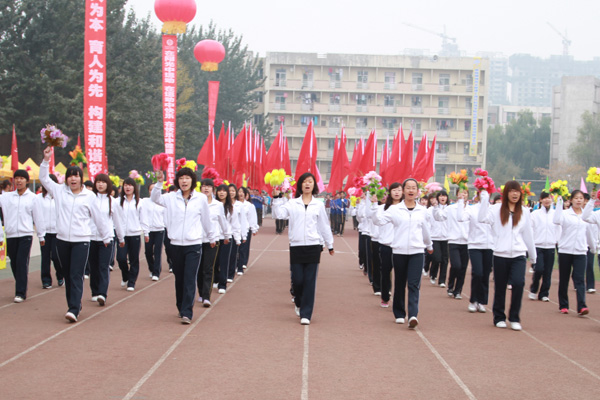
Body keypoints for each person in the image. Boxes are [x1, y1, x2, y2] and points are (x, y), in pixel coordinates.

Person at [40, 147, 112, 322]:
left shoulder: (89, 196)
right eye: (70, 175)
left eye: (76, 175)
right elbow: (43, 179)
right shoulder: (59, 191)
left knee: (75, 274)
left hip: (81, 241)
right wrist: (46, 160)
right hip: (62, 240)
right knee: (67, 274)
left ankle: (73, 308)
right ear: (66, 178)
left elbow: (99, 218)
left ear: (81, 179)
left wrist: (106, 237)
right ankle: (75, 304)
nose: (73, 178)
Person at [151, 169, 216, 324]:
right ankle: (181, 306)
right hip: (175, 245)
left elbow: (206, 219)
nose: (184, 181)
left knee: (189, 278)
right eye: (181, 178)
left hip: (193, 245)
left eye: (187, 178)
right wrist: (159, 182)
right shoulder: (170, 198)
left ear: (192, 181)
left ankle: (187, 311)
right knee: (179, 278)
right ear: (177, 181)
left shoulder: (200, 199)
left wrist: (212, 237)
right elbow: (154, 198)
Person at [272, 172, 334, 325]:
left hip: (313, 246)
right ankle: (299, 302)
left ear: (314, 185)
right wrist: (276, 198)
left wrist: (329, 244)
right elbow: (278, 214)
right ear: (300, 185)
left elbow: (324, 226)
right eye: (305, 181)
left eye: (310, 182)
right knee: (298, 280)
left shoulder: (318, 205)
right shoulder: (292, 203)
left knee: (310, 281)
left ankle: (306, 314)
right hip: (296, 245)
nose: (307, 184)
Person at [372, 178, 433, 329]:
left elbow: (425, 231)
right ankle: (399, 313)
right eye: (408, 188)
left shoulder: (422, 211)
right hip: (399, 251)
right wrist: (374, 205)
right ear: (404, 191)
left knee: (413, 284)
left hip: (417, 251)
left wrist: (429, 245)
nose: (411, 190)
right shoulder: (394, 209)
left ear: (418, 191)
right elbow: (378, 221)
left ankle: (413, 314)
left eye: (414, 188)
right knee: (399, 283)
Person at [478, 181, 536, 331]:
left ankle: (515, 317)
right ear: (506, 193)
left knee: (518, 283)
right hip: (500, 254)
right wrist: (485, 198)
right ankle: (499, 317)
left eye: (517, 191)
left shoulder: (524, 211)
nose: (515, 194)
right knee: (500, 287)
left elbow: (528, 235)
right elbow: (482, 218)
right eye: (512, 191)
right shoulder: (496, 209)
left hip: (518, 254)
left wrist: (533, 256)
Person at [0, 169, 45, 302]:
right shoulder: (7, 197)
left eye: (22, 178)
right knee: (14, 262)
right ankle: (21, 281)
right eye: (17, 178)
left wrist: (41, 236)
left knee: (21, 261)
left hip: (26, 234)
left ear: (27, 181)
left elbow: (38, 217)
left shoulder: (33, 198)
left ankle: (20, 292)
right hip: (11, 234)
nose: (19, 181)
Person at [554, 191, 593, 316]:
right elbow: (556, 220)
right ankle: (564, 305)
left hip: (580, 251)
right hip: (565, 250)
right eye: (576, 198)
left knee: (580, 279)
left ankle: (582, 306)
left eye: (581, 198)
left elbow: (589, 233)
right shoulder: (565, 214)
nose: (578, 200)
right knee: (564, 279)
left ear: (584, 200)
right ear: (571, 200)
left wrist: (592, 247)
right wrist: (559, 202)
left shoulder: (586, 216)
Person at [89, 174, 125, 306]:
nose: (100, 185)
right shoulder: (90, 199)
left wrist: (121, 238)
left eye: (103, 182)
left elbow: (118, 221)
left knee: (103, 266)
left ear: (108, 184)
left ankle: (102, 293)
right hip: (91, 237)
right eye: (98, 182)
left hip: (107, 239)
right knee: (93, 266)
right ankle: (94, 291)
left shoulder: (113, 202)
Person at [456, 191, 494, 313]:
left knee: (486, 274)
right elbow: (460, 218)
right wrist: (461, 201)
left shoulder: (494, 209)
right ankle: (473, 300)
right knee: (477, 272)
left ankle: (482, 301)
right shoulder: (472, 209)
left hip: (490, 246)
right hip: (474, 245)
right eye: (481, 194)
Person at [197, 178, 230, 307]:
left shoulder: (218, 205)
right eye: (203, 186)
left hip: (213, 241)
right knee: (199, 268)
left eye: (208, 186)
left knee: (208, 268)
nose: (206, 189)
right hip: (197, 239)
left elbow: (222, 220)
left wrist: (226, 235)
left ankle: (206, 296)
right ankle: (201, 292)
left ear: (213, 189)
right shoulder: (196, 203)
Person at [433, 188, 470, 299]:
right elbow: (439, 217)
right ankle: (450, 284)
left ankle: (458, 290)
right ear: (457, 194)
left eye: (465, 193)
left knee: (463, 267)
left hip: (467, 242)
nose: (463, 195)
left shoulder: (471, 209)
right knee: (456, 265)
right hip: (453, 241)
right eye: (460, 193)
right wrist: (435, 207)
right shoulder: (450, 208)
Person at [370, 182, 402, 307]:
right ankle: (385, 296)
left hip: (400, 246)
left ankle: (399, 300)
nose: (397, 192)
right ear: (390, 193)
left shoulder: (406, 208)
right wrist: (373, 204)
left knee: (400, 274)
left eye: (399, 190)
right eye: (394, 190)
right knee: (385, 271)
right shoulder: (383, 208)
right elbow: (376, 221)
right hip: (386, 245)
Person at [528, 191, 560, 302]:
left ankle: (544, 293)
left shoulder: (555, 214)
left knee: (548, 271)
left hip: (550, 246)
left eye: (549, 198)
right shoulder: (535, 214)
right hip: (538, 245)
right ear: (540, 200)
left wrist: (556, 240)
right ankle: (533, 289)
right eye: (544, 198)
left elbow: (558, 229)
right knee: (539, 269)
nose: (547, 200)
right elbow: (530, 229)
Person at [35, 174, 63, 289]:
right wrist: (40, 233)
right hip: (45, 232)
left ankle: (60, 275)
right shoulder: (38, 198)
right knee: (45, 256)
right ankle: (46, 280)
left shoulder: (60, 197)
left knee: (56, 256)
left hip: (57, 232)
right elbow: (38, 216)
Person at [116, 178, 142, 292]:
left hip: (135, 234)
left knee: (134, 259)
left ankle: (131, 281)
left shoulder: (139, 202)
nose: (128, 187)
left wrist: (145, 232)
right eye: (126, 185)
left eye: (130, 185)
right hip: (122, 234)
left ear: (134, 187)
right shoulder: (118, 202)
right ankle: (125, 275)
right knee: (121, 258)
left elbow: (143, 218)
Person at [216, 184, 242, 294]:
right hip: (214, 238)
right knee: (215, 261)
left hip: (227, 238)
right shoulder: (212, 206)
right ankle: (215, 279)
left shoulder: (231, 208)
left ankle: (222, 283)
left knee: (224, 261)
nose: (222, 193)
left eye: (224, 191)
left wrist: (237, 239)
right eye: (219, 191)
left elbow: (235, 225)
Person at [140, 182, 166, 281]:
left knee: (157, 251)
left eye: (155, 189)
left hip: (159, 230)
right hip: (149, 230)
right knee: (148, 252)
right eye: (151, 190)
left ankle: (156, 272)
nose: (153, 192)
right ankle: (151, 268)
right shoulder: (144, 201)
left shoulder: (163, 202)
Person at [429, 190, 449, 288]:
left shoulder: (450, 209)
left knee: (445, 260)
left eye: (444, 196)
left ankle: (442, 280)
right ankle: (433, 273)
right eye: (440, 196)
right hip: (435, 237)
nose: (442, 198)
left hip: (446, 237)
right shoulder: (432, 209)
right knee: (437, 258)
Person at [237, 187, 258, 274]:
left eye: (242, 192)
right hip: (236, 229)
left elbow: (252, 218)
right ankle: (236, 264)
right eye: (239, 192)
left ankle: (242, 263)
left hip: (246, 229)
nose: (240, 193)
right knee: (236, 249)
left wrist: (254, 228)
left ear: (246, 194)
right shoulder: (234, 204)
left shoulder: (249, 205)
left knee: (244, 247)